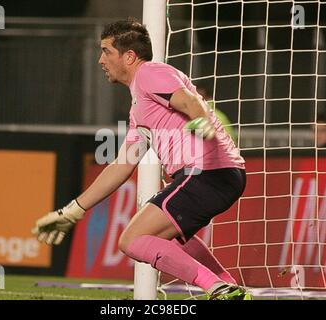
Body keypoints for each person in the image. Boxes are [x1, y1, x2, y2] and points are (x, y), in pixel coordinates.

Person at [32, 18, 250, 300]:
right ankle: (228, 287)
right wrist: (73, 210)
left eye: (106, 51)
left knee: (131, 239)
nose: (101, 60)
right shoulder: (139, 109)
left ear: (129, 56)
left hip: (205, 172)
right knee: (169, 236)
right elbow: (122, 166)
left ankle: (218, 289)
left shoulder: (149, 73)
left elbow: (187, 101)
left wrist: (201, 120)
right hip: (215, 175)